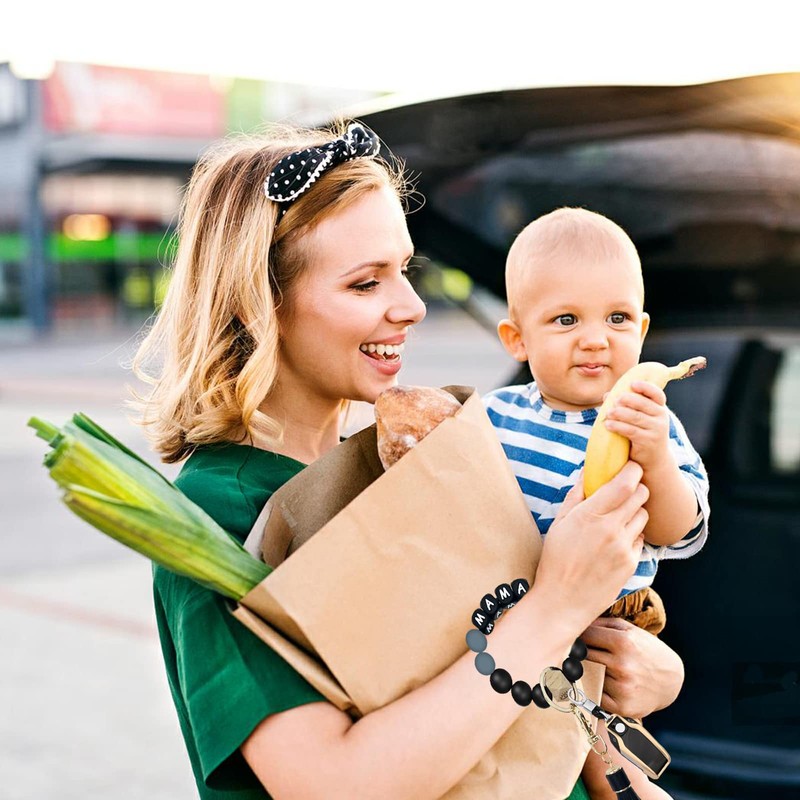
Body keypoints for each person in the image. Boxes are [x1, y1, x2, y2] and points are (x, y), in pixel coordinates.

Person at [129, 123, 682, 800]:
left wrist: (631, 669)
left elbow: (513, 693)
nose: (413, 307)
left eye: (405, 271)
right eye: (366, 284)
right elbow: (334, 784)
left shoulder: (401, 464)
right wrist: (555, 609)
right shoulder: (221, 515)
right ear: (262, 305)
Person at [483, 206, 710, 797]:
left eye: (616, 318)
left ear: (640, 330)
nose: (595, 338)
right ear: (517, 338)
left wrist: (655, 458)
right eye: (565, 319)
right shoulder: (493, 417)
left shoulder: (649, 425)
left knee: (609, 760)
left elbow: (678, 529)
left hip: (606, 616)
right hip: (503, 606)